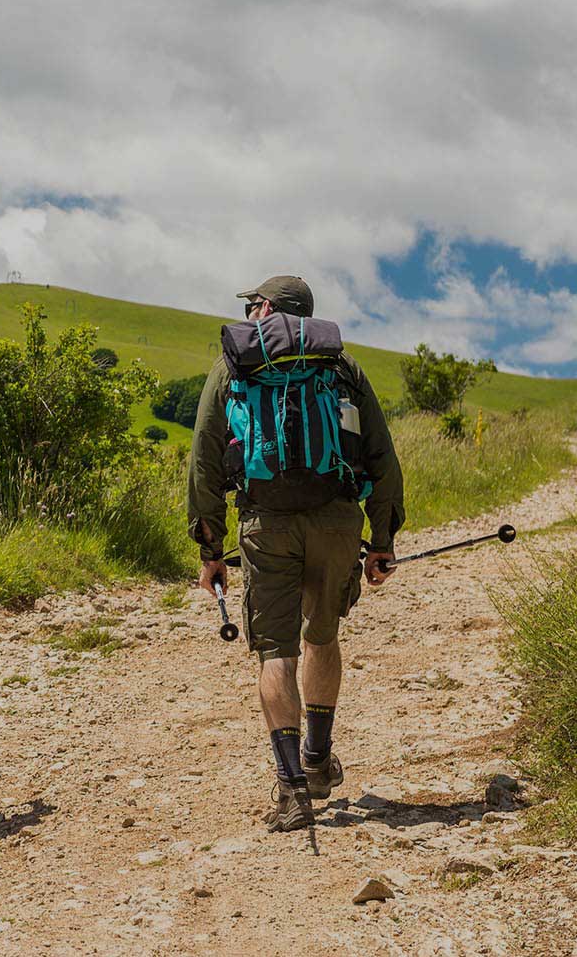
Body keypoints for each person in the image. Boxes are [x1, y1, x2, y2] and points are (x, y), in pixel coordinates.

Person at [188, 275, 404, 834]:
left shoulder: (234, 364)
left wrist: (211, 550)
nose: (249, 313)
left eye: (253, 305)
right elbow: (381, 457)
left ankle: (291, 791)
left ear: (265, 308)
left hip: (267, 525)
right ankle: (317, 758)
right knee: (322, 637)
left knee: (275, 652)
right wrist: (382, 540)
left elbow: (204, 461)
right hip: (337, 521)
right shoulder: (341, 366)